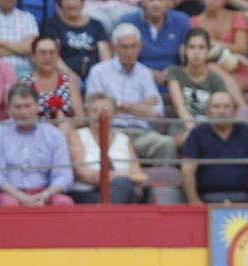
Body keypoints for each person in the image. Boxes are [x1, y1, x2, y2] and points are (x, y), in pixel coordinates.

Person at [84, 22, 175, 161]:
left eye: (133, 46)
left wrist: (118, 105)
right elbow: (95, 111)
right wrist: (139, 105)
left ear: (140, 47)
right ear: (114, 47)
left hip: (141, 133)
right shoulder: (99, 72)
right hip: (110, 132)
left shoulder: (145, 73)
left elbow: (155, 113)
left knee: (166, 143)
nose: (129, 52)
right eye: (124, 47)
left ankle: (163, 183)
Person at [0, 83, 75, 204]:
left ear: (37, 107)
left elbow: (64, 176)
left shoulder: (54, 135)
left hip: (45, 192)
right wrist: (23, 198)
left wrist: (45, 195)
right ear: (8, 109)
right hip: (10, 193)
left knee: (64, 202)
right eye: (18, 107)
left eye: (28, 106)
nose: (23, 112)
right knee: (8, 204)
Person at [180, 88, 248, 203]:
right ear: (208, 112)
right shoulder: (197, 133)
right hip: (207, 201)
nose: (221, 111)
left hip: (245, 200)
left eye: (226, 106)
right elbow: (187, 168)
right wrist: (194, 202)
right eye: (216, 107)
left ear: (235, 111)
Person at [67, 91, 150, 202]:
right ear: (87, 113)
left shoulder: (123, 139)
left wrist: (112, 177)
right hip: (88, 193)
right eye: (94, 110)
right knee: (123, 185)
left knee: (123, 185)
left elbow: (139, 175)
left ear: (114, 114)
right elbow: (80, 172)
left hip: (121, 191)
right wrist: (118, 176)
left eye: (105, 110)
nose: (100, 115)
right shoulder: (78, 135)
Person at [167, 27, 229, 138]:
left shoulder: (216, 80)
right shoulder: (174, 72)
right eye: (192, 47)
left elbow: (219, 111)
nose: (196, 52)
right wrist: (192, 130)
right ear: (185, 50)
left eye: (201, 47)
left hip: (209, 128)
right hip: (182, 126)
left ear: (208, 50)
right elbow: (179, 106)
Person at [192, 0, 248, 96]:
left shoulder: (237, 16)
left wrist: (213, 44)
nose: (211, 1)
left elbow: (242, 48)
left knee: (222, 90)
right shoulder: (193, 22)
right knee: (212, 72)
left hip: (236, 69)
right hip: (208, 72)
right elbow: (194, 52)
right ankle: (244, 106)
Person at [42, 0, 112, 83]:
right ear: (60, 3)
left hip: (95, 78)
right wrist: (71, 77)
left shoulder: (96, 25)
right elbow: (53, 56)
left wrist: (99, 77)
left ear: (82, 2)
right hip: (65, 79)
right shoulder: (52, 25)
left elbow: (105, 56)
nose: (71, 3)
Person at [123, 0, 190, 82]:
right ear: (142, 1)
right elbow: (123, 60)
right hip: (137, 82)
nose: (156, 3)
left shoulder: (181, 20)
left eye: (161, 0)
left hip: (175, 81)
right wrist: (150, 74)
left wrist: (175, 73)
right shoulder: (127, 22)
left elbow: (188, 57)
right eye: (151, 0)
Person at [24, 35, 80, 121]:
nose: (47, 57)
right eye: (42, 52)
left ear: (57, 56)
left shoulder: (69, 82)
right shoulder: (24, 84)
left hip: (65, 131)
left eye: (51, 52)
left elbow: (81, 118)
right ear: (33, 56)